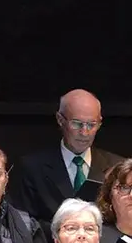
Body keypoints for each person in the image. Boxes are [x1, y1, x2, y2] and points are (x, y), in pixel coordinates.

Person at [9, 89, 124, 226]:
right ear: (60, 119)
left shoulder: (117, 167)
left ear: (100, 123)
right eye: (77, 123)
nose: (84, 132)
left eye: (91, 125)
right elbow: (23, 226)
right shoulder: (31, 168)